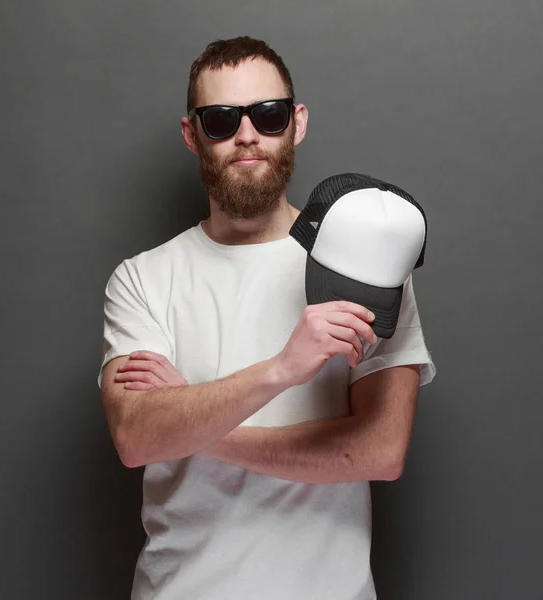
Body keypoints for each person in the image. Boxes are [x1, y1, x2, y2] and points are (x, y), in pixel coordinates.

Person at [99, 36, 436, 600]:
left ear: (296, 122)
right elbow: (137, 437)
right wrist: (280, 369)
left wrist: (199, 425)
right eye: (222, 120)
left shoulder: (370, 264)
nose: (248, 135)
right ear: (192, 134)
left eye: (269, 114)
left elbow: (380, 450)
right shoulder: (143, 279)